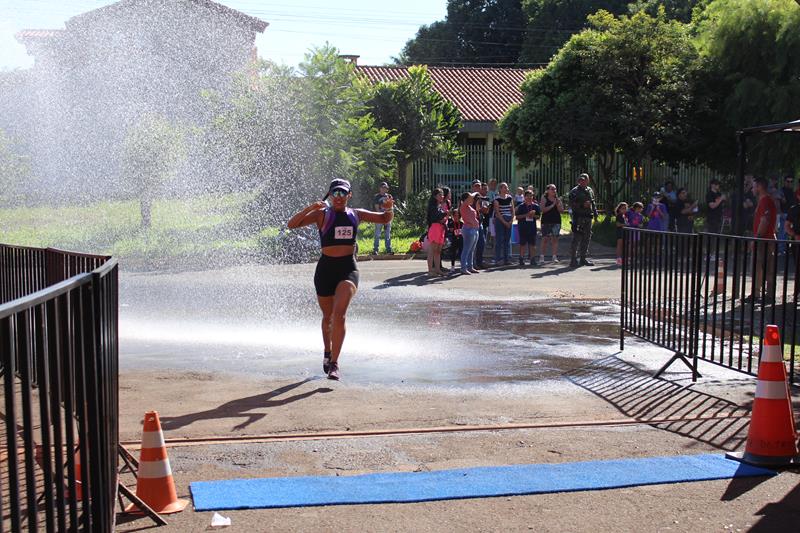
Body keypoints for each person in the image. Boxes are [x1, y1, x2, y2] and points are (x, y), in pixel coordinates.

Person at [287, 178, 393, 380]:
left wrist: (389, 208)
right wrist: (310, 207)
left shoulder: (356, 214)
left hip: (347, 269)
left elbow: (384, 219)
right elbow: (292, 224)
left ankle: (335, 363)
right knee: (328, 317)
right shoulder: (321, 214)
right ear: (330, 195)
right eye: (335, 193)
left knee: (339, 314)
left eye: (342, 193)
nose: (338, 197)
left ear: (349, 195)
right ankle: (327, 352)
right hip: (325, 269)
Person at [751, 177, 777, 302]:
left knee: (764, 267)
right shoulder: (765, 201)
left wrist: (756, 238)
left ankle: (767, 295)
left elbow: (764, 221)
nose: (752, 189)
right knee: (761, 267)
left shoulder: (765, 201)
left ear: (760, 187)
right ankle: (759, 294)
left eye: (754, 186)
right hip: (767, 238)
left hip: (764, 239)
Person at [568, 173, 598, 267]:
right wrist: (582, 205)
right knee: (577, 238)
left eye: (585, 180)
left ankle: (583, 258)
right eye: (581, 180)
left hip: (588, 217)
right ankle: (573, 259)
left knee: (587, 238)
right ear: (578, 181)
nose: (583, 181)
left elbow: (592, 202)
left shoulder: (589, 190)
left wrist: (595, 213)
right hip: (578, 217)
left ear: (588, 180)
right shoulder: (574, 191)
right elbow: (571, 204)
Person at [425, 188, 448, 277]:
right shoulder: (432, 206)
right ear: (435, 196)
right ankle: (430, 270)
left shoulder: (439, 206)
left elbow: (442, 217)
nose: (442, 196)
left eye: (442, 194)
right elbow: (436, 217)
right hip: (435, 228)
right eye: (440, 195)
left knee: (438, 251)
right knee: (432, 250)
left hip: (440, 228)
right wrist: (446, 214)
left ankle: (438, 269)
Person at [539, 184, 564, 264]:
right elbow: (543, 210)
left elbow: (562, 211)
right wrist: (553, 205)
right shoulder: (544, 198)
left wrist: (558, 205)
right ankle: (542, 257)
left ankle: (554, 257)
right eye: (552, 189)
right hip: (546, 221)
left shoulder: (558, 199)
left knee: (555, 239)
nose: (554, 190)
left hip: (556, 221)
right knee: (545, 239)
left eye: (555, 189)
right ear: (548, 190)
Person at [515, 190, 541, 266]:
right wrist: (526, 215)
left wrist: (533, 216)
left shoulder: (536, 206)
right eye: (528, 196)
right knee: (522, 244)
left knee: (532, 244)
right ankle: (521, 258)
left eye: (531, 196)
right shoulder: (521, 206)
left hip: (532, 227)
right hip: (523, 227)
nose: (529, 197)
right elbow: (517, 217)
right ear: (525, 197)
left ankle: (532, 259)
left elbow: (539, 216)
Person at [459, 191, 481, 275]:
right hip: (468, 229)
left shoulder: (469, 206)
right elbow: (472, 195)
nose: (472, 199)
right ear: (465, 199)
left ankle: (470, 266)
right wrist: (475, 193)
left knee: (471, 250)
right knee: (466, 249)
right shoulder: (463, 206)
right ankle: (463, 268)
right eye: (470, 198)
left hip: (474, 229)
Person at [493, 182, 514, 266]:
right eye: (505, 187)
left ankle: (507, 259)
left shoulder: (510, 198)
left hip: (509, 219)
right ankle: (498, 259)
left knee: (507, 240)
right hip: (500, 220)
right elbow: (497, 213)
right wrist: (504, 222)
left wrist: (511, 220)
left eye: (507, 187)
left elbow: (512, 210)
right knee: (499, 240)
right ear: (500, 189)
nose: (507, 189)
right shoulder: (497, 199)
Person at [372, 182, 393, 254]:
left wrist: (388, 217)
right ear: (380, 188)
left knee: (387, 234)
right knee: (377, 234)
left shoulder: (389, 196)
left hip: (387, 218)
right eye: (383, 187)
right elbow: (377, 208)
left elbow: (391, 207)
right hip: (379, 217)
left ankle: (388, 249)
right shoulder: (377, 197)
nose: (384, 189)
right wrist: (382, 216)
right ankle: (375, 250)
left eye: (386, 188)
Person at [476, 182, 491, 268]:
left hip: (484, 222)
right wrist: (482, 209)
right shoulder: (476, 198)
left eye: (486, 189)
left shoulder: (486, 199)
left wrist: (488, 208)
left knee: (482, 243)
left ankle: (480, 261)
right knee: (477, 244)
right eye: (484, 188)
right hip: (476, 223)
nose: (486, 190)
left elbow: (487, 211)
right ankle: (475, 262)